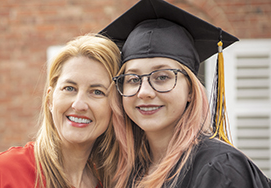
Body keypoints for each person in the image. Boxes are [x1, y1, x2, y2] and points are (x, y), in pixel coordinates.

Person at [100, 0, 271, 187]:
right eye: (133, 79)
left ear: (190, 89)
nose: (145, 92)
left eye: (162, 77)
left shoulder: (219, 167)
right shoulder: (130, 173)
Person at [0, 34, 122, 188]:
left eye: (97, 92)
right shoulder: (6, 172)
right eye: (69, 88)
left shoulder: (111, 183)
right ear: (50, 99)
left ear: (114, 107)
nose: (79, 104)